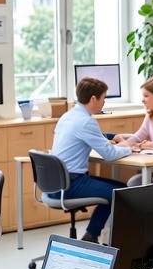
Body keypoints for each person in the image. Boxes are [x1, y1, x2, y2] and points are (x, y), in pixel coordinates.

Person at [50, 77, 132, 241]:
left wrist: (112, 136)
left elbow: (91, 136)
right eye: (103, 98)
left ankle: (92, 235)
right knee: (121, 192)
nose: (104, 103)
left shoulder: (68, 116)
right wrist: (129, 147)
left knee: (119, 188)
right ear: (94, 99)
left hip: (55, 184)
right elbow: (109, 154)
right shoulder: (86, 121)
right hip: (71, 184)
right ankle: (95, 236)